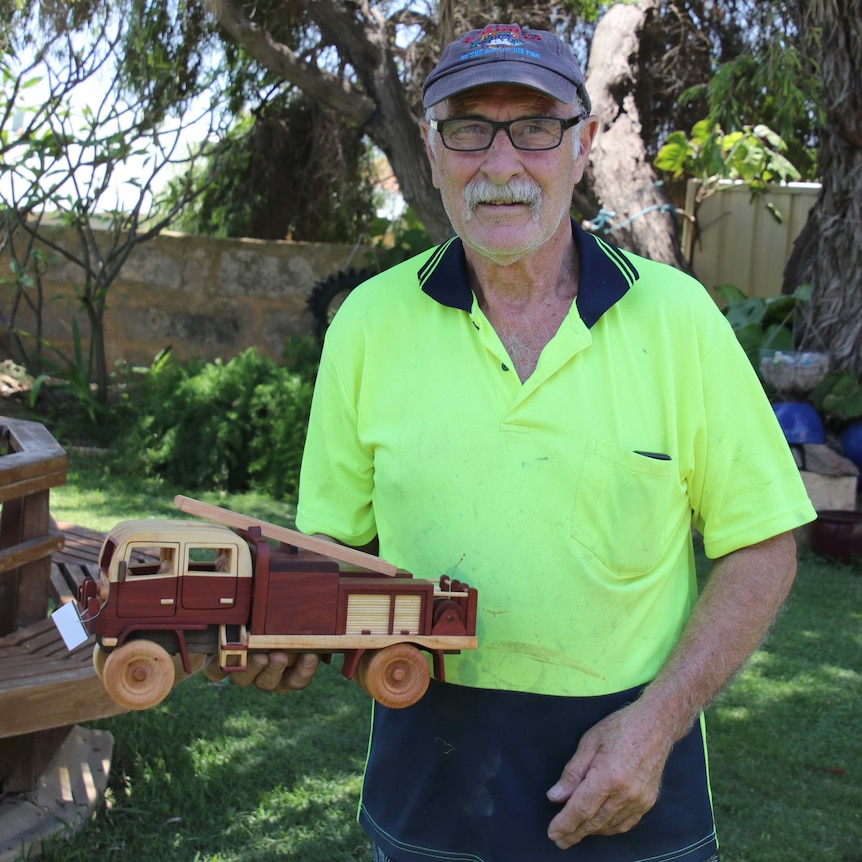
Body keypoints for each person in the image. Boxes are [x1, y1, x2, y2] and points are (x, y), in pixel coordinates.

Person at [218, 22, 816, 861]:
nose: (501, 164)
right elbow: (333, 548)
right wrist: (284, 629)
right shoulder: (369, 324)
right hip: (429, 778)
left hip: (636, 779)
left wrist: (658, 723)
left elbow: (763, 545)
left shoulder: (679, 320)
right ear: (430, 149)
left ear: (583, 145)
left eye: (534, 127)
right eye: (468, 128)